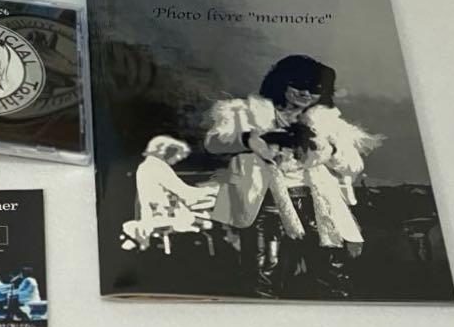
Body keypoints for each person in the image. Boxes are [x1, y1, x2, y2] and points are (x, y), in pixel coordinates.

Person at [204, 54, 382, 298]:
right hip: (264, 202)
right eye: (299, 85)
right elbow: (213, 143)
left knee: (330, 270)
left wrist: (326, 149)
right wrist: (251, 139)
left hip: (315, 202)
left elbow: (353, 165)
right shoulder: (245, 112)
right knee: (264, 272)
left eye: (315, 89)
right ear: (282, 82)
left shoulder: (328, 121)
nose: (306, 93)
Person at [121, 136, 217, 252]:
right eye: (178, 155)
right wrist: (212, 190)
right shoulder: (157, 166)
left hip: (154, 215)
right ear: (167, 151)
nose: (179, 159)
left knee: (206, 210)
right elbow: (185, 193)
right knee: (213, 217)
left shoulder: (145, 165)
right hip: (166, 217)